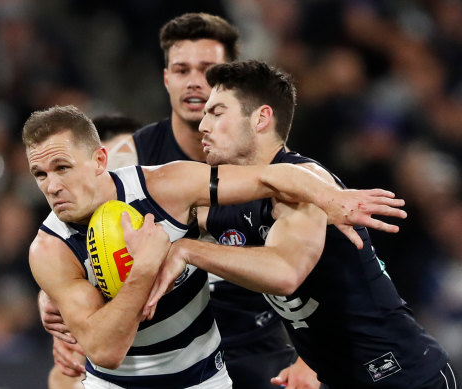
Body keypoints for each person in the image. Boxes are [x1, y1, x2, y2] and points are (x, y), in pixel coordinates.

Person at [23, 104, 406, 388]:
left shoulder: (166, 187)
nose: (52, 186)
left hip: (206, 378)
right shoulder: (49, 248)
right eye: (39, 174)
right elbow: (106, 350)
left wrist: (330, 197)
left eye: (62, 167)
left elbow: (272, 178)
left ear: (99, 159)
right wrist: (145, 268)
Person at [40, 13, 322, 389]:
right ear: (166, 78)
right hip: (159, 343)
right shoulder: (129, 160)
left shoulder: (267, 164)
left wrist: (312, 357)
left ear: (228, 82)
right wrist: (50, 298)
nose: (193, 81)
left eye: (208, 70)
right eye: (181, 69)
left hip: (252, 340)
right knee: (63, 377)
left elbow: (318, 260)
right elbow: (66, 241)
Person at [145, 60, 459, 388]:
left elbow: (285, 272)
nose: (203, 126)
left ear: (261, 118)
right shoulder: (238, 198)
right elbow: (168, 214)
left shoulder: (307, 185)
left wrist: (187, 250)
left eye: (218, 112)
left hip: (404, 376)